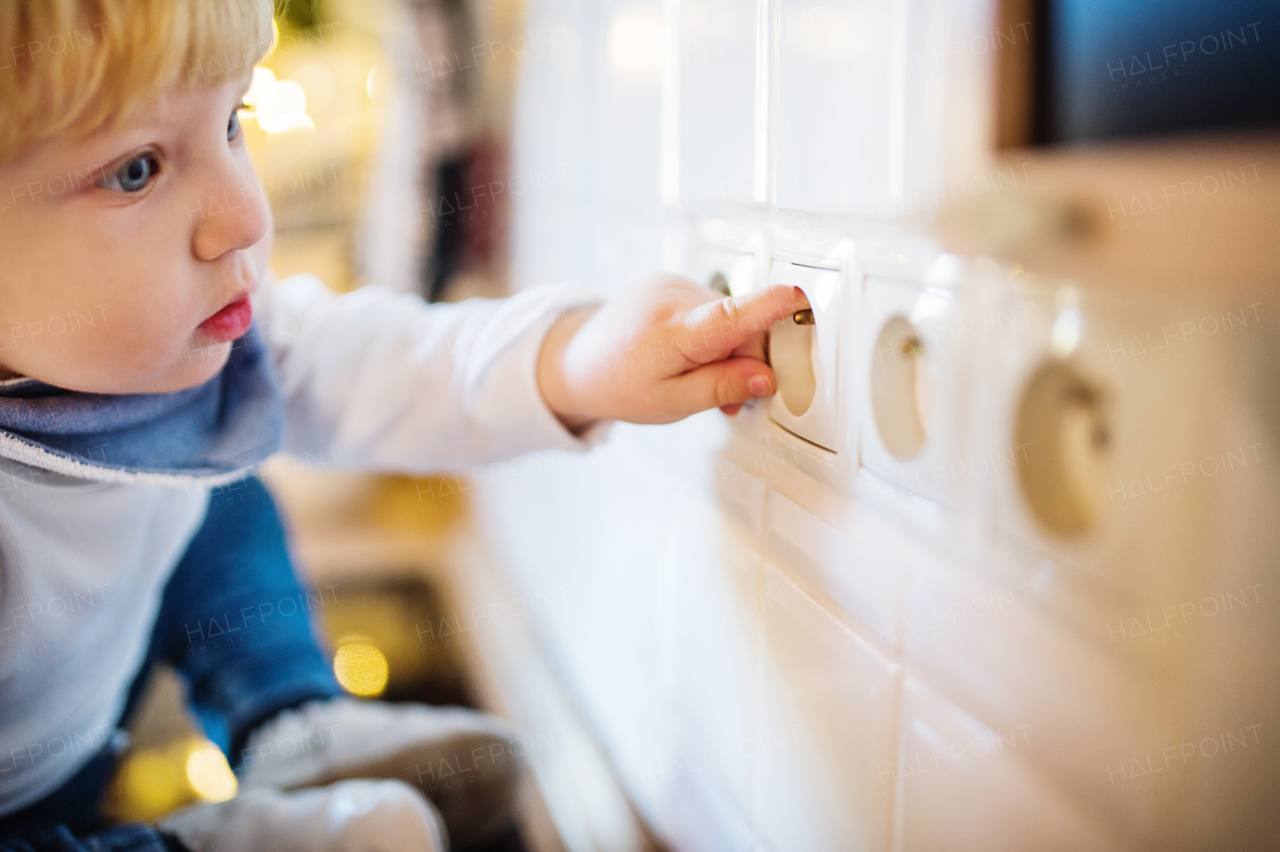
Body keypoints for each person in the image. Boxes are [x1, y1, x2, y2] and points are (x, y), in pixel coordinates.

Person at [0, 1, 808, 851]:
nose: (243, 216)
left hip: (86, 751)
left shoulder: (188, 351)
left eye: (231, 121)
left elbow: (384, 363)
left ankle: (291, 724)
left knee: (218, 473)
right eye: (136, 170)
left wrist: (573, 358)